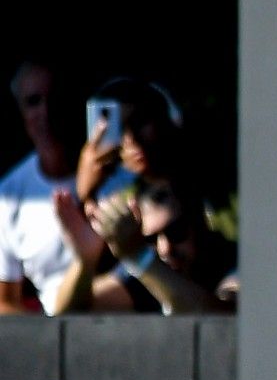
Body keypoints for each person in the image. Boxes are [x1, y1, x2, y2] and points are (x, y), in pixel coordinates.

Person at [48, 80, 235, 314]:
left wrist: (140, 256)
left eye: (176, 232)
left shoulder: (230, 248)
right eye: (120, 129)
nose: (132, 139)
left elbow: (225, 320)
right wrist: (84, 260)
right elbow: (67, 316)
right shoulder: (147, 260)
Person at [1, 58, 129, 314]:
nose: (46, 113)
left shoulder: (125, 173)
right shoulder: (9, 194)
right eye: (33, 101)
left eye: (56, 98)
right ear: (20, 112)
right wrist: (47, 341)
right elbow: (5, 301)